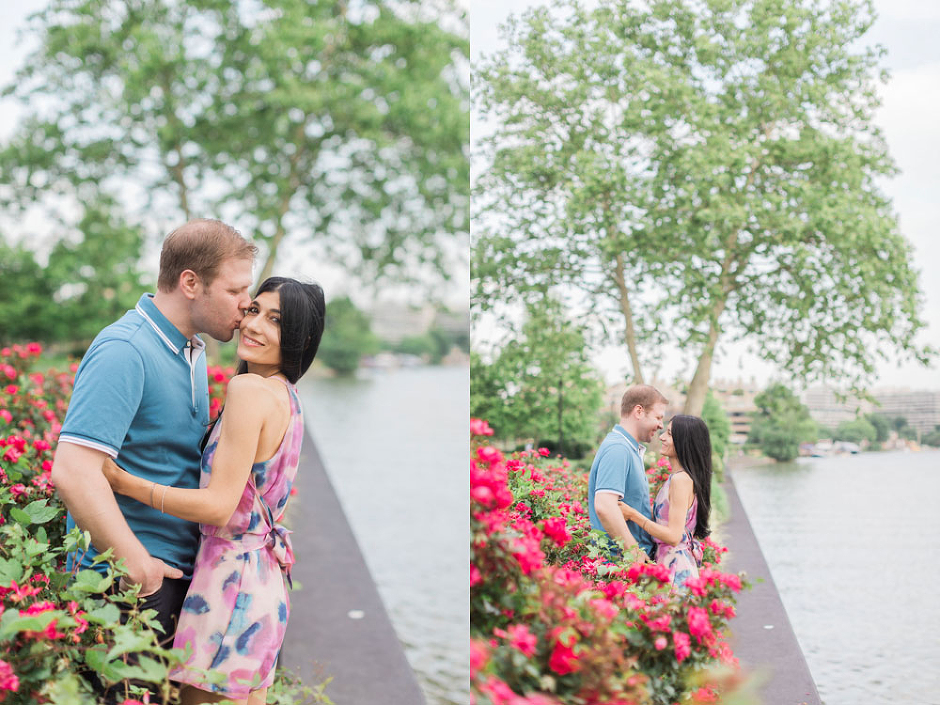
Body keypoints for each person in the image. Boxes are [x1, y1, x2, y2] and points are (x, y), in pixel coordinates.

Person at [102, 276, 325, 705]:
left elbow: (219, 507)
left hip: (230, 588)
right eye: (254, 310)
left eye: (275, 320)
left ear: (301, 337)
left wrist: (123, 481)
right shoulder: (288, 397)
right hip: (261, 586)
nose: (253, 325)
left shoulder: (248, 390)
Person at [51, 219, 257, 648]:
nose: (246, 304)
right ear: (190, 283)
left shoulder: (191, 350)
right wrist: (139, 569)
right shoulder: (125, 350)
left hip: (170, 582)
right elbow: (73, 471)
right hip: (126, 588)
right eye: (235, 290)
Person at [619, 415, 712, 588]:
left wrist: (632, 514)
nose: (661, 437)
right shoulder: (679, 478)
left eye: (669, 434)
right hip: (671, 563)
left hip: (676, 569)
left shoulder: (681, 480)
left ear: (684, 441)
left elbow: (673, 536)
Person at [587, 384, 667, 562]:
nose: (661, 425)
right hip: (621, 566)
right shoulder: (619, 449)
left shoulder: (628, 448)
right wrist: (635, 553)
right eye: (658, 417)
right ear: (639, 411)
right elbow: (605, 506)